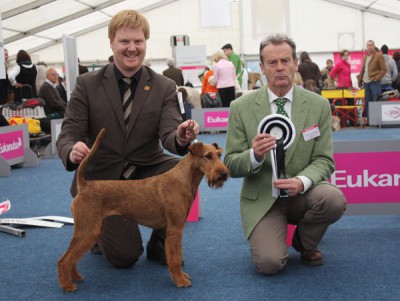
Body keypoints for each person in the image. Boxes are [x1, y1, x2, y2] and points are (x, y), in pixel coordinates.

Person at [56, 9, 199, 269]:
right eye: (124, 41)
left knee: (184, 168)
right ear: (111, 42)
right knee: (126, 257)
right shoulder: (87, 84)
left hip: (144, 169)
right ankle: (100, 233)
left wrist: (179, 134)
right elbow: (68, 133)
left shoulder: (164, 85)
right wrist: (71, 150)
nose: (131, 48)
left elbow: (169, 132)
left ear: (146, 43)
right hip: (102, 181)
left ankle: (159, 242)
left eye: (138, 41)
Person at [224, 34, 346, 275]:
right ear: (261, 68)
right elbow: (230, 163)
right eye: (272, 62)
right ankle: (273, 238)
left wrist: (301, 182)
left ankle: (305, 242)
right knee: (269, 265)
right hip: (263, 200)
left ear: (294, 64)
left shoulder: (318, 105)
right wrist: (254, 155)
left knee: (333, 199)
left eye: (285, 60)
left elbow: (324, 159)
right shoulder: (240, 108)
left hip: (304, 194)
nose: (280, 67)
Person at [357, 40, 387, 123]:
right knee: (368, 103)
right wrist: (360, 80)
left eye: (371, 45)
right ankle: (370, 121)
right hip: (365, 83)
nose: (370, 47)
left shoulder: (379, 56)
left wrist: (377, 78)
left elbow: (384, 70)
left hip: (374, 82)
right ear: (366, 47)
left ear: (374, 46)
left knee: (376, 101)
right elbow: (363, 70)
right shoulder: (364, 57)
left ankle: (377, 121)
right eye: (368, 45)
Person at [39, 68, 67, 132]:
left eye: (56, 74)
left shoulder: (52, 86)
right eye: (53, 74)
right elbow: (54, 103)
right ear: (47, 76)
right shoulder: (46, 86)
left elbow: (60, 101)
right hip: (50, 114)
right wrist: (66, 108)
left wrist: (67, 107)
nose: (56, 76)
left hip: (56, 112)